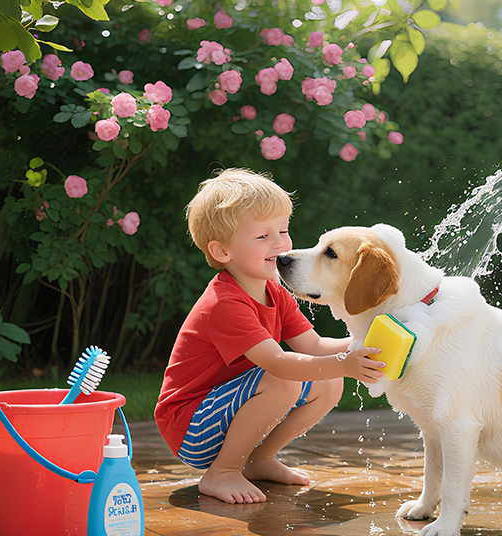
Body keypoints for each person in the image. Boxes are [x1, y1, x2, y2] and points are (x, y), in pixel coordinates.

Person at [156, 168, 385, 503]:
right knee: (282, 378)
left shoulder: (274, 291)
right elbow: (278, 363)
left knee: (329, 382)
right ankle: (222, 472)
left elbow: (315, 346)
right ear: (222, 251)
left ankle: (258, 460)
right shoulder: (224, 303)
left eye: (283, 231)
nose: (279, 244)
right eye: (263, 236)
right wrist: (345, 363)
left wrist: (367, 340)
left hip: (224, 412)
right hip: (190, 426)